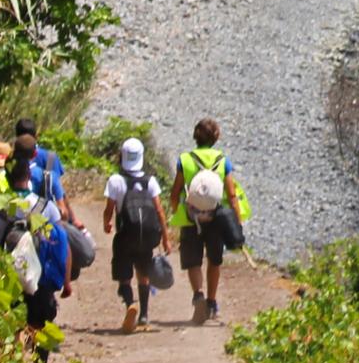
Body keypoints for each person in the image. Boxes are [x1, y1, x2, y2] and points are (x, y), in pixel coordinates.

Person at [166, 117, 250, 325]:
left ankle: (198, 295)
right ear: (216, 137)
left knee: (192, 260)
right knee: (214, 260)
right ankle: (212, 303)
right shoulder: (223, 161)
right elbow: (231, 194)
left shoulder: (184, 160)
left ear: (195, 136)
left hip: (190, 217)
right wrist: (237, 221)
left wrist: (176, 210)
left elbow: (175, 191)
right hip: (215, 217)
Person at [6, 157, 72, 363]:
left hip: (9, 278)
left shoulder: (3, 207)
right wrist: (66, 280)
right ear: (29, 179)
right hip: (41, 277)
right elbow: (63, 242)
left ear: (10, 179)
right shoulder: (46, 207)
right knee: (41, 325)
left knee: (11, 325)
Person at [103, 137, 170, 333]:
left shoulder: (116, 181)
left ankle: (130, 304)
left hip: (125, 235)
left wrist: (106, 223)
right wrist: (165, 238)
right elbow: (159, 211)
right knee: (143, 274)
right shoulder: (150, 181)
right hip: (147, 237)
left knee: (124, 276)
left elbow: (109, 208)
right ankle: (144, 316)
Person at [13, 122, 83, 230]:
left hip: (14, 221)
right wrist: (73, 218)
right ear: (36, 136)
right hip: (47, 221)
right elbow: (60, 194)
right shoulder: (50, 157)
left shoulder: (7, 166)